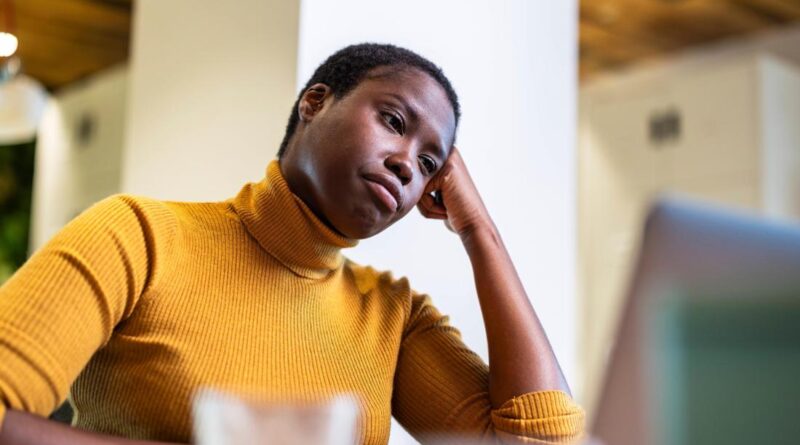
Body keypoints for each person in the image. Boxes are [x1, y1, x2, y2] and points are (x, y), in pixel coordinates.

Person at [0, 43, 584, 444]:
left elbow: (537, 439)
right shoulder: (139, 236)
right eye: (394, 122)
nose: (408, 164)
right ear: (315, 102)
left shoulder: (394, 318)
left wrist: (479, 230)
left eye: (430, 163)